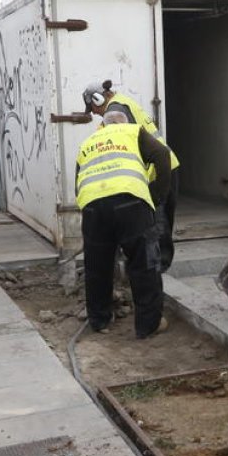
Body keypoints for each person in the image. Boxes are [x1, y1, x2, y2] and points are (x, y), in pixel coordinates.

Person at [76, 109, 172, 338]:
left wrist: (90, 212)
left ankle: (100, 321)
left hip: (92, 206)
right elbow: (162, 155)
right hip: (130, 203)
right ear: (123, 122)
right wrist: (155, 197)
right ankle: (148, 325)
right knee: (143, 263)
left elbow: (79, 181)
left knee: (97, 266)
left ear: (104, 126)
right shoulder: (132, 131)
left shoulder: (88, 142)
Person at [82, 80, 180, 272]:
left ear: (98, 98)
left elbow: (127, 142)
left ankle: (157, 269)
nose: (93, 112)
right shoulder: (122, 103)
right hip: (164, 165)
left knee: (157, 220)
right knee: (160, 219)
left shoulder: (116, 110)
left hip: (157, 169)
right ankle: (157, 266)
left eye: (91, 106)